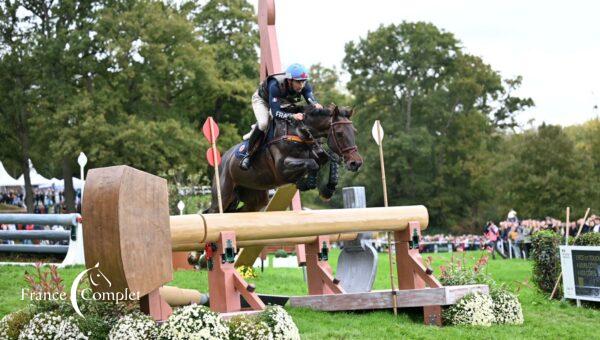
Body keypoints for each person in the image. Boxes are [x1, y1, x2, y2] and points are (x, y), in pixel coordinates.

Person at [240, 63, 323, 170]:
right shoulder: (275, 85)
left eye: (303, 81)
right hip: (262, 100)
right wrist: (292, 116)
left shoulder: (304, 85)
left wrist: (316, 105)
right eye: (298, 82)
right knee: (264, 123)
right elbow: (275, 113)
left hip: (281, 101)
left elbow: (310, 99)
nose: (301, 85)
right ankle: (248, 154)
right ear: (289, 80)